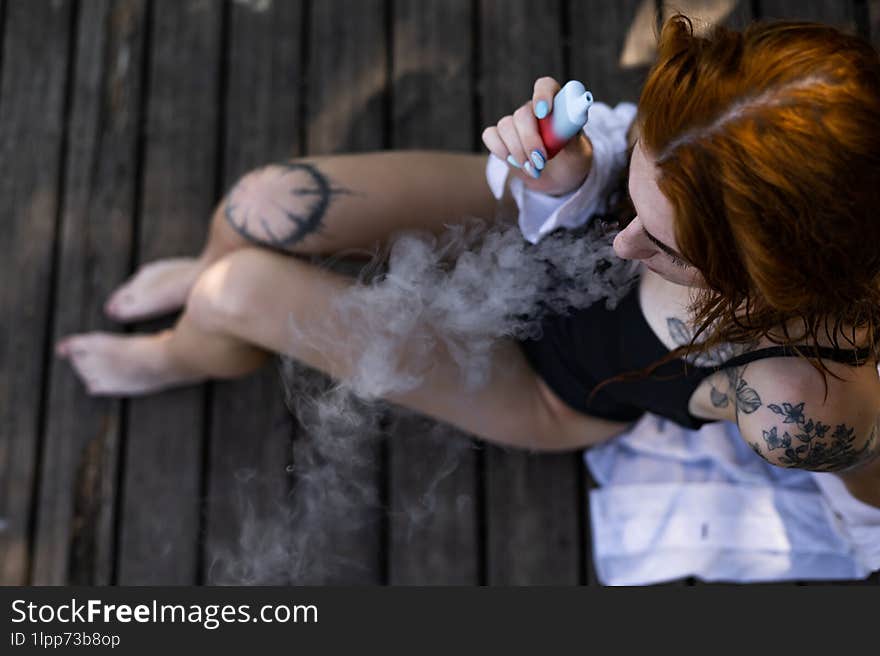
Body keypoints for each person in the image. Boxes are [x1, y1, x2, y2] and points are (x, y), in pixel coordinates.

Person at [56, 14, 880, 506]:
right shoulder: (718, 134)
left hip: (554, 388)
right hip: (531, 224)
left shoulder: (798, 397)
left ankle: (189, 350)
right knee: (259, 206)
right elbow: (610, 212)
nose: (624, 249)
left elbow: (865, 475)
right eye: (641, 193)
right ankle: (205, 297)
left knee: (237, 290)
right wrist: (574, 177)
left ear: (781, 275)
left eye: (668, 250)